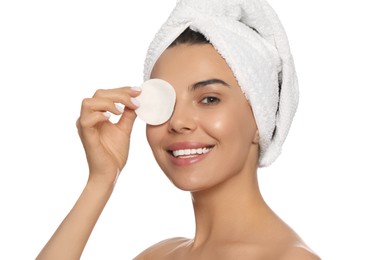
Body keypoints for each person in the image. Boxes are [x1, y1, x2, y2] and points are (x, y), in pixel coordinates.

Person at [37, 0, 320, 259]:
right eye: (166, 101)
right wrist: (100, 180)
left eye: (209, 99)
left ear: (261, 120)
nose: (177, 121)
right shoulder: (158, 255)